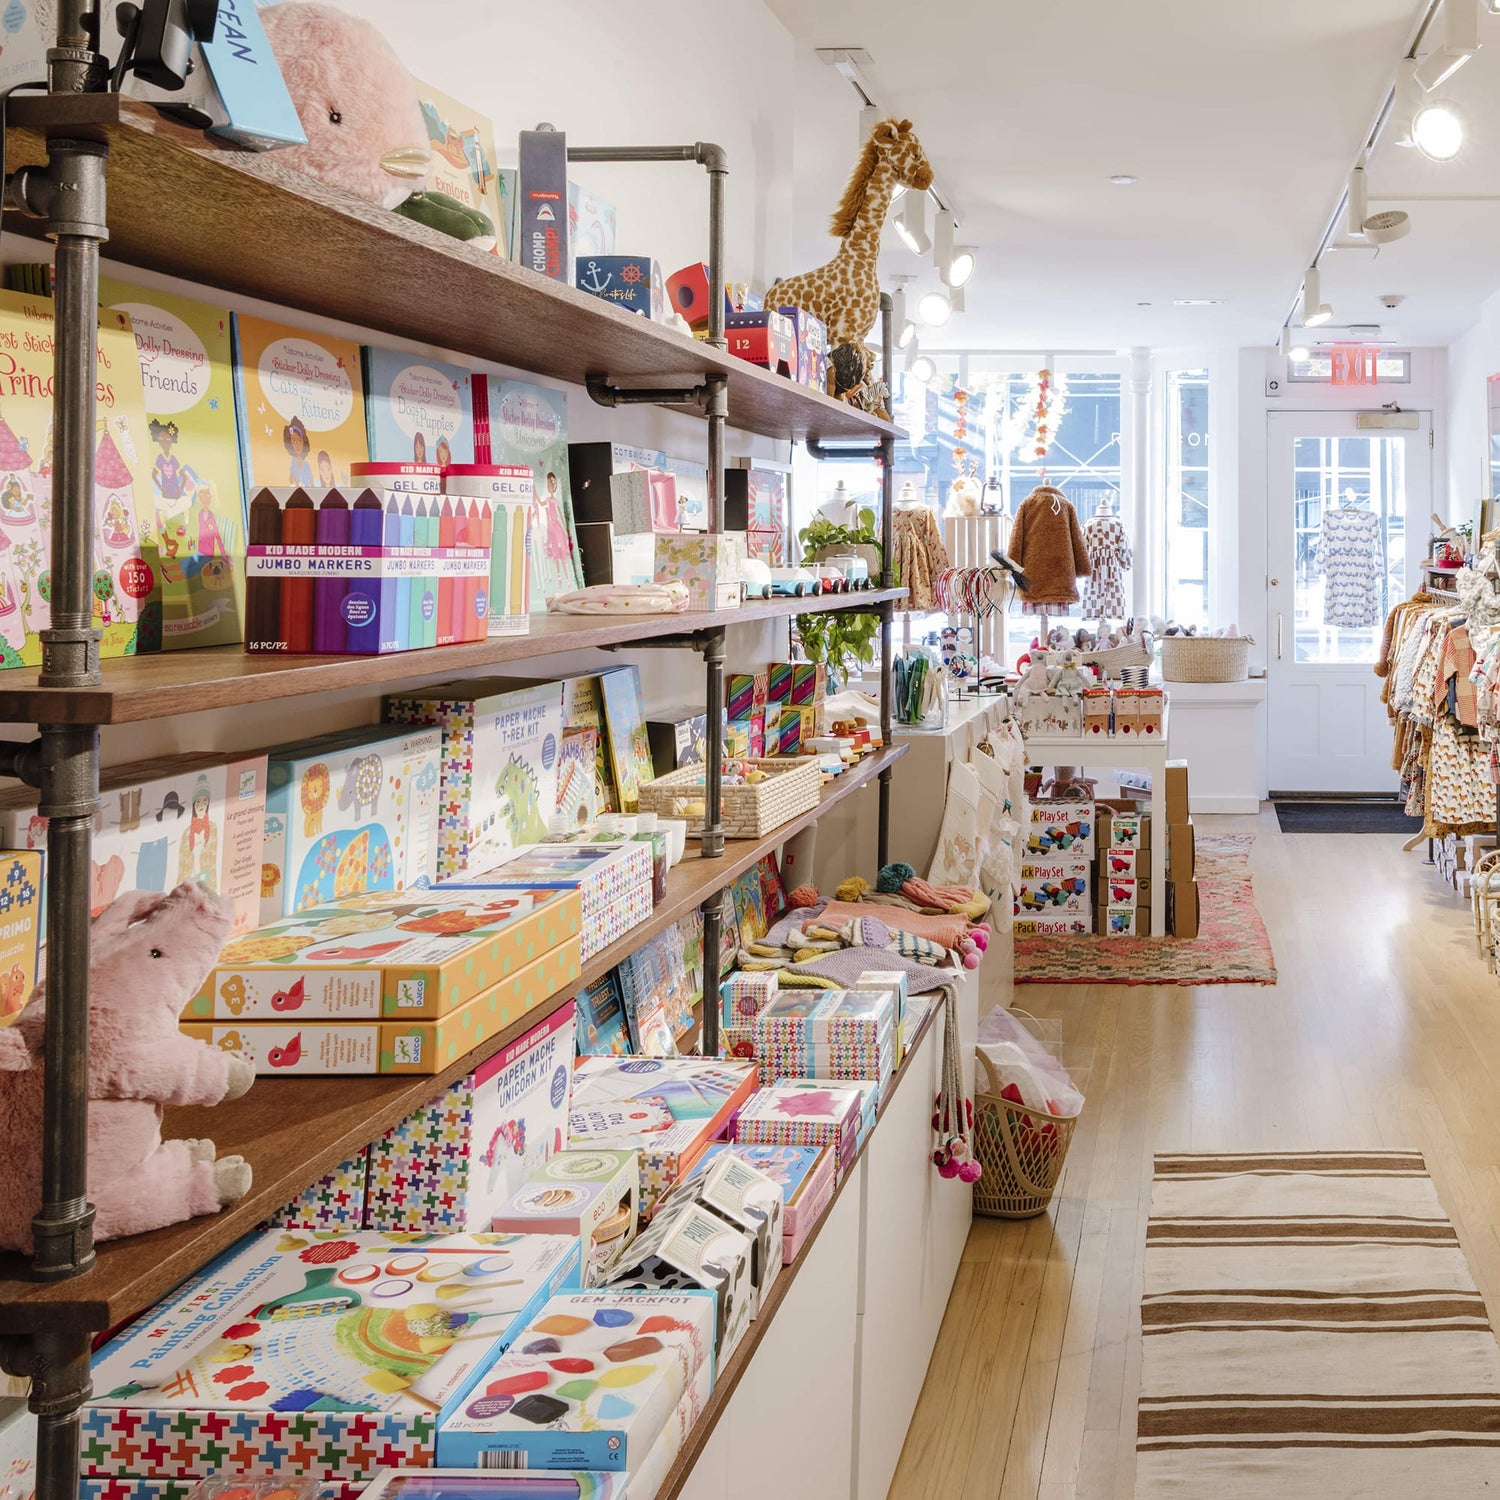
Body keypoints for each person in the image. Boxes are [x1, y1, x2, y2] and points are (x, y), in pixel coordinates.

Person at [283, 417, 314, 486]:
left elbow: (312, 481)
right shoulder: (293, 463)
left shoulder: (306, 465)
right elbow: (291, 480)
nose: (297, 445)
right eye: (294, 441)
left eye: (300, 441)